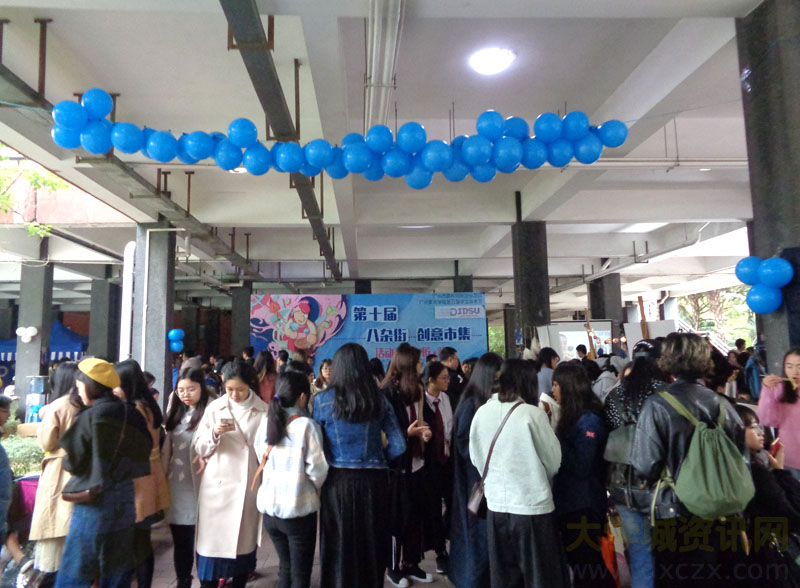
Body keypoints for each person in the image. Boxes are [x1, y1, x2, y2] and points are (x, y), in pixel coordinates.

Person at [632, 332, 747, 587]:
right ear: (705, 361)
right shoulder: (724, 405)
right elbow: (742, 460)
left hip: (675, 513)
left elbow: (644, 465)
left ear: (666, 361)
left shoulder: (656, 406)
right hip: (723, 512)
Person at [312, 343, 406, 588]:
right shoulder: (380, 400)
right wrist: (379, 458)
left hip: (337, 483)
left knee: (338, 544)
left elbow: (315, 448)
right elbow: (399, 445)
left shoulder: (322, 401)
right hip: (374, 484)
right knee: (371, 544)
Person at [469, 359, 568, 588]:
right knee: (540, 577)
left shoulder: (482, 412)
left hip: (496, 508)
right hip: (531, 508)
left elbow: (476, 458)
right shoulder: (532, 414)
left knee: (504, 578)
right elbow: (554, 462)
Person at [55, 358, 152, 588]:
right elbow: (144, 452)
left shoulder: (89, 416)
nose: (79, 393)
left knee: (78, 565)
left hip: (93, 500)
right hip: (125, 497)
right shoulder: (132, 414)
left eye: (80, 387)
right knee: (118, 565)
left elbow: (73, 462)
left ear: (91, 387)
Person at [193, 360, 269, 588]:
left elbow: (267, 448)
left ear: (250, 386)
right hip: (217, 484)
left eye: (240, 390)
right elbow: (199, 447)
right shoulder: (215, 408)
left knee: (241, 551)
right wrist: (214, 434)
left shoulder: (264, 410)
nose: (234, 395)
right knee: (211, 549)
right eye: (229, 389)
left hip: (247, 484)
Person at [255, 372, 328, 588]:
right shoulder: (306, 426)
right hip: (298, 512)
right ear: (303, 397)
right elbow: (318, 470)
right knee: (300, 575)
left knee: (285, 568)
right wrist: (312, 488)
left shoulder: (266, 422)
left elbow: (261, 457)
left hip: (270, 512)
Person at [603, 339, 666, 588]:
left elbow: (609, 432)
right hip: (661, 488)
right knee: (670, 555)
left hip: (623, 488)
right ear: (658, 361)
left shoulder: (615, 395)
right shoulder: (665, 393)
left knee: (640, 557)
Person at [551, 363, 615, 588]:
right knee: (580, 564)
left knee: (588, 565)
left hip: (583, 504)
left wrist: (555, 441)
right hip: (571, 502)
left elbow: (582, 465)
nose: (553, 390)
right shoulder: (573, 416)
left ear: (569, 386)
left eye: (556, 384)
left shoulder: (588, 420)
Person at [114, 360, 170, 588]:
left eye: (117, 383)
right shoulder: (149, 405)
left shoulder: (134, 409)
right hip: (151, 474)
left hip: (137, 478)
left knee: (133, 542)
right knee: (142, 540)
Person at [380, 343, 433, 587]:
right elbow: (383, 435)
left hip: (417, 463)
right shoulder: (388, 393)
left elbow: (421, 421)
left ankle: (411, 563)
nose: (422, 366)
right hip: (397, 468)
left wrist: (424, 433)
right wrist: (407, 433)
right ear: (408, 366)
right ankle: (393, 568)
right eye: (418, 362)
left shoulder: (418, 389)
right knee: (396, 520)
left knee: (415, 516)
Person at [449, 352, 503, 588]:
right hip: (475, 483)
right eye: (498, 378)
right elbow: (464, 446)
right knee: (477, 537)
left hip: (479, 481)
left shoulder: (479, 402)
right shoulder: (471, 405)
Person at [29, 362, 80, 584]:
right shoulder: (86, 403)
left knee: (55, 527)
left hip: (58, 469)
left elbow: (46, 442)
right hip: (81, 469)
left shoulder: (58, 406)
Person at [163, 367, 212, 588]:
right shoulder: (175, 411)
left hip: (203, 485)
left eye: (191, 389)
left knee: (205, 541)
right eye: (181, 390)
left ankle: (207, 581)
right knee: (181, 541)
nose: (185, 394)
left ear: (202, 387)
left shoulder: (212, 411)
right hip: (177, 485)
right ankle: (183, 580)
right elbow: (167, 451)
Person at [419, 362, 454, 575]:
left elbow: (449, 428)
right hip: (429, 465)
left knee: (451, 504)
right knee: (433, 509)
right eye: (443, 378)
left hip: (447, 461)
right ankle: (440, 552)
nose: (447, 381)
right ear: (431, 380)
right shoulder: (420, 402)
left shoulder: (446, 399)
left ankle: (451, 542)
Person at [757, 347, 800, 474]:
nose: (794, 372)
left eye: (799, 366)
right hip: (790, 458)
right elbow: (766, 420)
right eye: (789, 366)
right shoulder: (779, 389)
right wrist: (766, 390)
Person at [537, 347, 561, 428]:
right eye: (556, 360)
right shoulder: (553, 373)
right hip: (551, 410)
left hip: (538, 409)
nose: (556, 364)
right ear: (551, 359)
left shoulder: (535, 374)